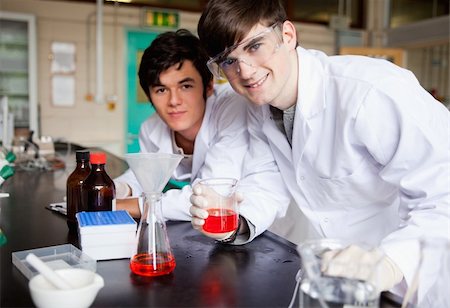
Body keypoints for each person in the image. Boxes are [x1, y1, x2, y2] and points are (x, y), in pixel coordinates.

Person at [190, 0, 450, 301]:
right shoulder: (261, 108)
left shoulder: (370, 90)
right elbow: (267, 181)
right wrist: (233, 221)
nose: (245, 71)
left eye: (254, 46)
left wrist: (391, 261)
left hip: (416, 282)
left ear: (287, 35)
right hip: (342, 282)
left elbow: (443, 192)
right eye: (228, 61)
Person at [114, 29, 249, 221]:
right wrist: (116, 189)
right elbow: (144, 177)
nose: (174, 101)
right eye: (161, 90)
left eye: (185, 86)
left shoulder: (231, 110)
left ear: (209, 85)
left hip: (262, 229)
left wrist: (127, 206)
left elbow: (211, 195)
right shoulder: (151, 128)